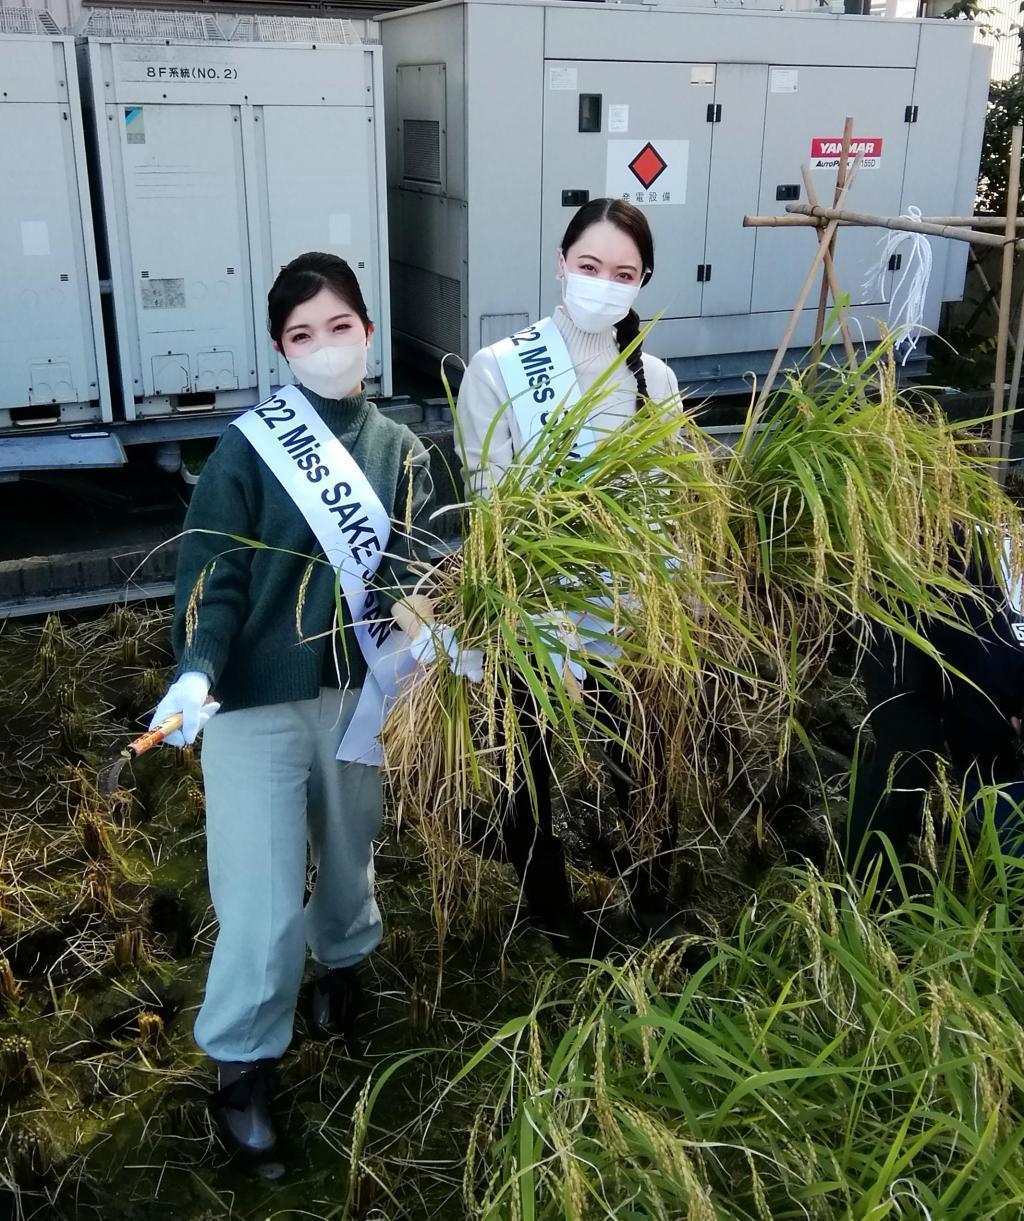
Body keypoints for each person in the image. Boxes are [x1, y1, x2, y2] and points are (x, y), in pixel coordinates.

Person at [149, 252, 436, 1174]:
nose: (323, 348)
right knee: (263, 896)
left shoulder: (404, 451)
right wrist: (197, 669)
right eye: (300, 336)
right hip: (252, 707)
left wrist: (425, 603)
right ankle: (241, 1065)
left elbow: (419, 561)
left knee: (350, 858)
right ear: (281, 349)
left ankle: (343, 973)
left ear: (367, 329)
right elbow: (211, 575)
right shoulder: (246, 448)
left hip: (359, 693)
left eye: (337, 327)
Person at [455, 197, 683, 954]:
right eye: (590, 266)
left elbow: (670, 501)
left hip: (627, 611)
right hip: (535, 610)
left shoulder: (654, 378)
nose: (603, 283)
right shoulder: (500, 368)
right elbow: (490, 510)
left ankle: (652, 891)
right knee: (531, 765)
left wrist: (671, 600)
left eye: (623, 272)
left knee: (646, 750)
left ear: (642, 281)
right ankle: (551, 912)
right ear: (561, 264)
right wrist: (538, 624)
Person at [847, 539, 1024, 881]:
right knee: (909, 749)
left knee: (923, 749)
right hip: (896, 597)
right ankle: (861, 888)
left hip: (979, 663)